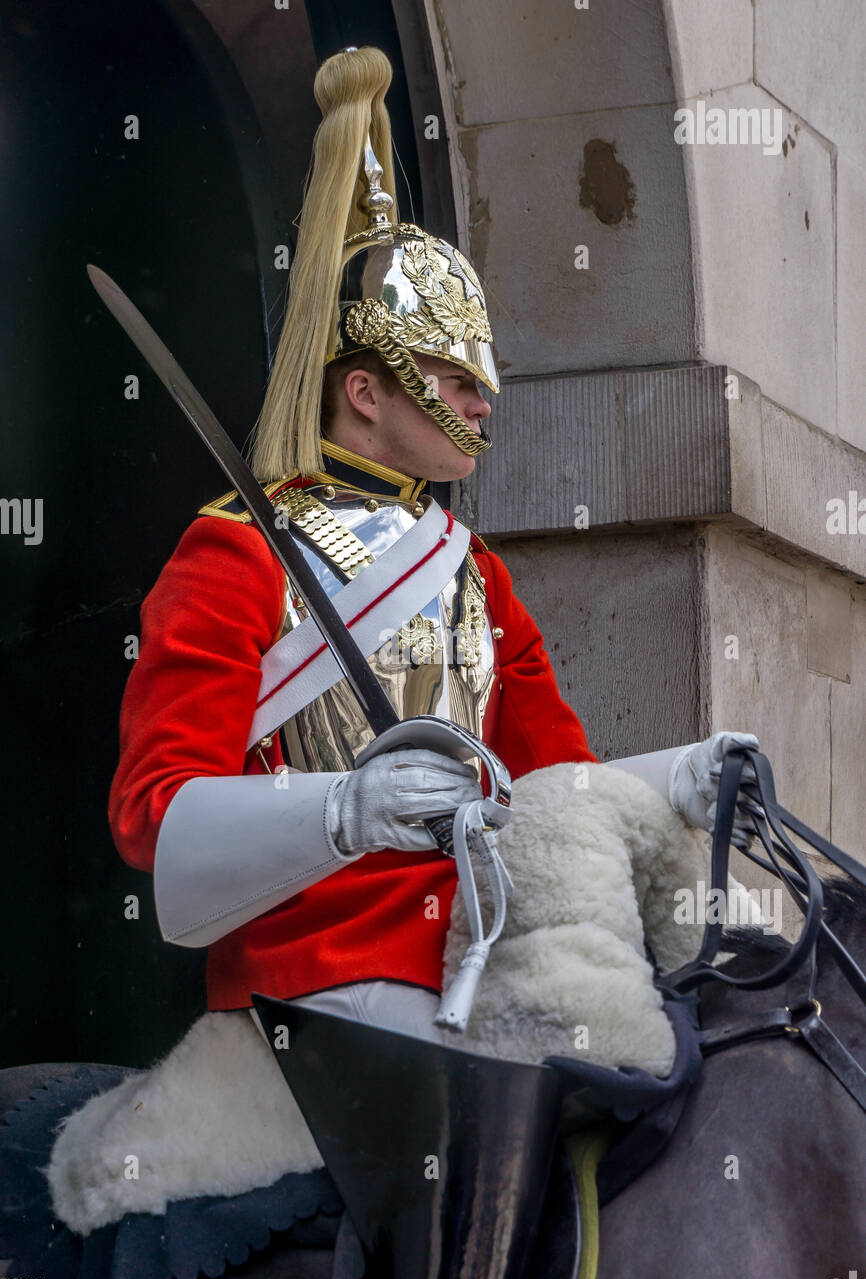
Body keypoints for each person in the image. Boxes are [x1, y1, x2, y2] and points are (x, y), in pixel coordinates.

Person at [108, 45, 757, 1049]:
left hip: (481, 951)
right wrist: (341, 809)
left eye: (481, 375)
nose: (481, 399)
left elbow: (552, 784)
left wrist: (679, 778)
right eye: (452, 376)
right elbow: (155, 814)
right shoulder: (236, 555)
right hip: (317, 981)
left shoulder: (472, 571)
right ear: (364, 389)